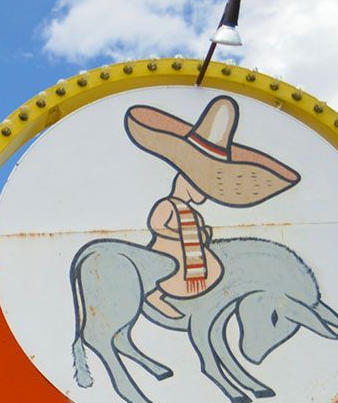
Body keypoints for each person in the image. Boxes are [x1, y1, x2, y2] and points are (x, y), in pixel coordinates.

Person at [123, 95, 300, 318]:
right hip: (169, 250)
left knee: (213, 269)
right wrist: (178, 235)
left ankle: (199, 297)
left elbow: (199, 230)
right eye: (200, 187)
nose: (203, 195)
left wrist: (202, 233)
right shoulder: (167, 204)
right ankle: (155, 295)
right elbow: (156, 225)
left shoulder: (192, 212)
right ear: (184, 180)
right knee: (169, 269)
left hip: (194, 252)